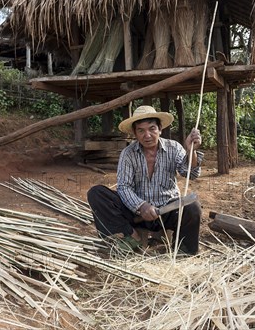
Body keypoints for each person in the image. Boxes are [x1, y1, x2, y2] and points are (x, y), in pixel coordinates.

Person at [87, 105, 203, 255]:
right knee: (97, 194)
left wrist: (191, 150)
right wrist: (141, 206)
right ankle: (128, 236)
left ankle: (184, 251)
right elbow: (124, 187)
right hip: (135, 212)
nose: (147, 135)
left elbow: (191, 174)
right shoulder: (128, 153)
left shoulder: (174, 147)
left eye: (152, 129)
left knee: (192, 207)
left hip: (166, 210)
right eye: (141, 130)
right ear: (135, 133)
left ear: (160, 129)